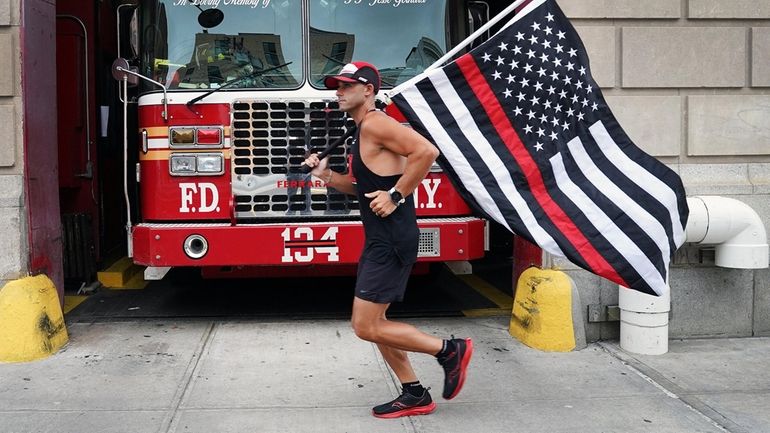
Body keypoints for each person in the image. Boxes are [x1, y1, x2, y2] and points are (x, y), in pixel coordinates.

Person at [303, 61, 473, 419]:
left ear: (368, 90)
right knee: (377, 323)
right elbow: (362, 189)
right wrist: (327, 175)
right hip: (381, 238)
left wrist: (396, 194)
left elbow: (426, 152)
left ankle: (448, 350)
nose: (338, 91)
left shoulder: (379, 123)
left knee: (365, 325)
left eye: (346, 86)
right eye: (337, 86)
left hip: (392, 239)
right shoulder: (362, 128)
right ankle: (413, 393)